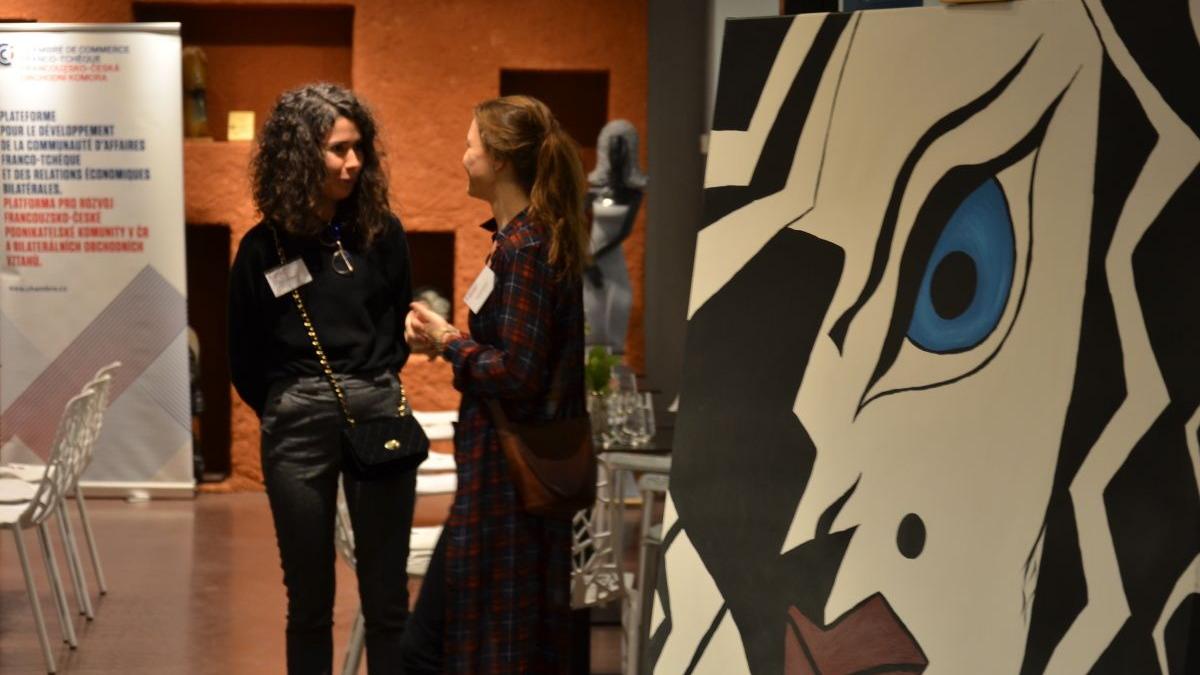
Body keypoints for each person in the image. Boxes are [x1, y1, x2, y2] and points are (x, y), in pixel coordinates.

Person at [227, 83, 417, 675]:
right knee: (308, 601)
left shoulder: (382, 233)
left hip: (377, 409)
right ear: (301, 154)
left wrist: (369, 385)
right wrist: (292, 403)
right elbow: (244, 355)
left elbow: (397, 322)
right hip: (296, 422)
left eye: (359, 148)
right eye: (338, 149)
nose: (353, 163)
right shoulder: (262, 249)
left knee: (387, 599)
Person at [402, 95, 589, 673]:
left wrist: (447, 343)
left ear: (501, 160)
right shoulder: (518, 241)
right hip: (500, 475)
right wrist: (450, 343)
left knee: (442, 648)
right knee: (479, 641)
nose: (463, 157)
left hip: (508, 482)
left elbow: (517, 372)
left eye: (470, 146)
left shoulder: (525, 249)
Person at [583, 119, 646, 354]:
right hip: (590, 261)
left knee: (618, 307)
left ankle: (614, 364)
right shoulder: (592, 193)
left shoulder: (633, 194)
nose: (616, 153)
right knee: (591, 314)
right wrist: (586, 261)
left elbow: (624, 232)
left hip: (609, 260)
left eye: (621, 146)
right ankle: (591, 366)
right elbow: (579, 223)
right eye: (612, 146)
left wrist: (595, 258)